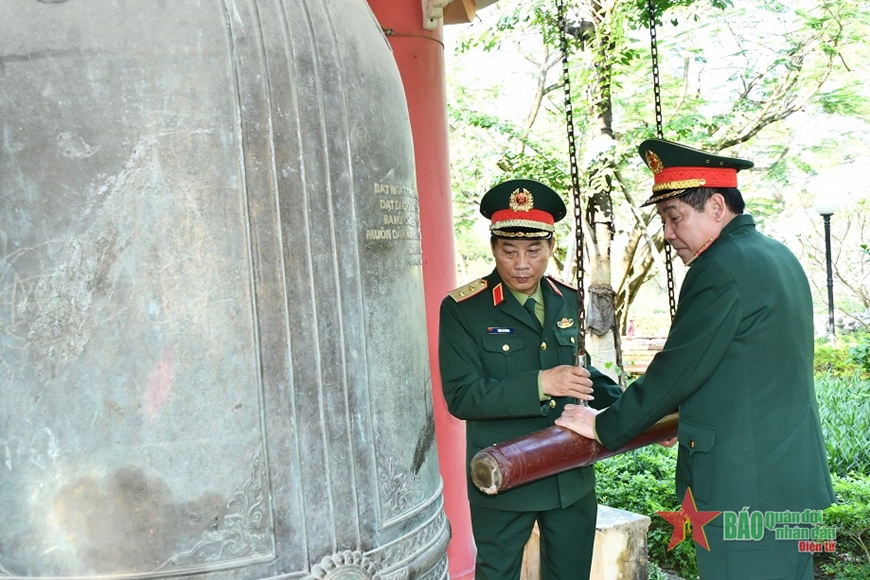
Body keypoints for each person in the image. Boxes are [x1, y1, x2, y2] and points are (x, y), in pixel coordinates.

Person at [556, 139, 835, 579]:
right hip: (788, 480)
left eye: (675, 218)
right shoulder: (776, 255)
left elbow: (677, 368)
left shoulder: (719, 267)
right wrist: (684, 415)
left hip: (742, 490)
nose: (667, 233)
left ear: (717, 207)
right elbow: (744, 368)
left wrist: (604, 424)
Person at [438, 179, 623, 580]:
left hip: (569, 475)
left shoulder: (566, 299)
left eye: (534, 250)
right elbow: (462, 396)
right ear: (493, 249)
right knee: (498, 574)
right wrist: (542, 383)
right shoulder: (463, 309)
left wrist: (641, 411)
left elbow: (582, 375)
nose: (522, 264)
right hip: (506, 474)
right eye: (509, 251)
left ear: (551, 248)